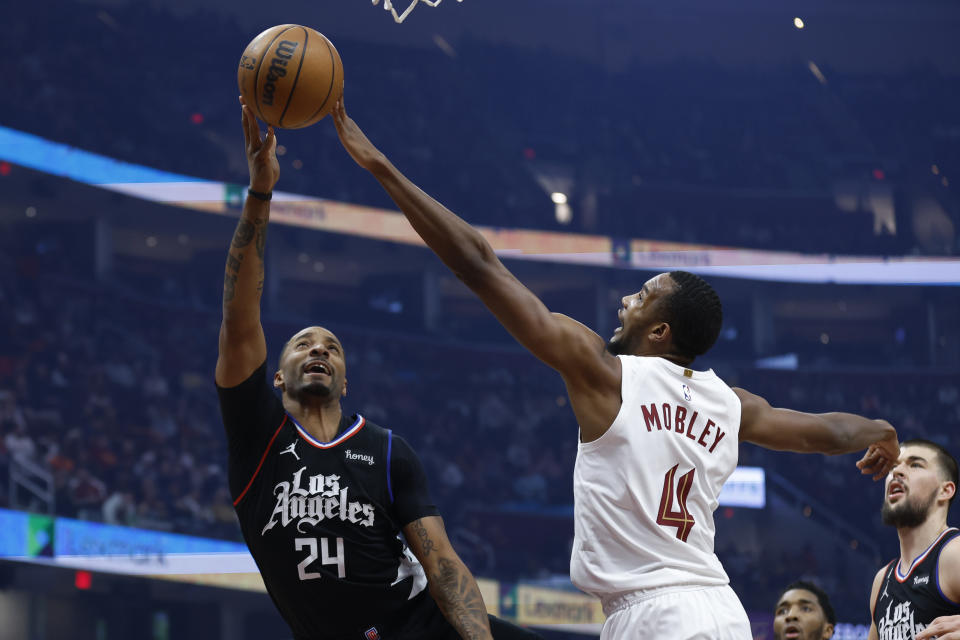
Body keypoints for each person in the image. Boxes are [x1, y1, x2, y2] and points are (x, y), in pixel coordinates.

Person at [331, 98, 901, 639]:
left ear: (660, 331)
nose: (626, 299)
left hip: (655, 615)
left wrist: (381, 168)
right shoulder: (731, 403)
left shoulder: (608, 373)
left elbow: (480, 266)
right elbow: (826, 433)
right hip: (718, 607)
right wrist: (882, 432)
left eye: (643, 295)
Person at [215, 101, 542, 640]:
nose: (318, 350)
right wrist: (260, 193)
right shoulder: (257, 435)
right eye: (302, 345)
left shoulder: (389, 451)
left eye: (332, 347)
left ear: (346, 380)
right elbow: (240, 316)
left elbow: (440, 563)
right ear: (276, 376)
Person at [867, 439, 960, 640]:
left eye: (915, 464)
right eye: (893, 466)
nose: (896, 472)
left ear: (946, 490)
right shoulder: (882, 580)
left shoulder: (954, 553)